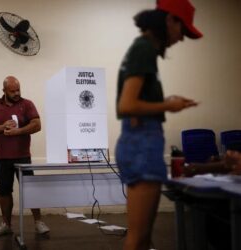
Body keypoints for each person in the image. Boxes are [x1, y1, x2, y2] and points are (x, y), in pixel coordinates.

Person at [115, 0, 202, 249]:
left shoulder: (142, 49)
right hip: (143, 142)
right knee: (137, 238)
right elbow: (127, 106)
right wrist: (168, 105)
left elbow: (134, 103)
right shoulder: (143, 48)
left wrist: (167, 101)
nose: (182, 38)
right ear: (169, 20)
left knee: (142, 238)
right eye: (182, 29)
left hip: (138, 140)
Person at [0, 76, 50, 236]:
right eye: (12, 91)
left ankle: (38, 222)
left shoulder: (27, 104)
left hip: (23, 157)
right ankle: (6, 224)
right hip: (2, 158)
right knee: (4, 192)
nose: (16, 93)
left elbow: (37, 124)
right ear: (4, 90)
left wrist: (18, 131)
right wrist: (2, 126)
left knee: (30, 189)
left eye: (18, 89)